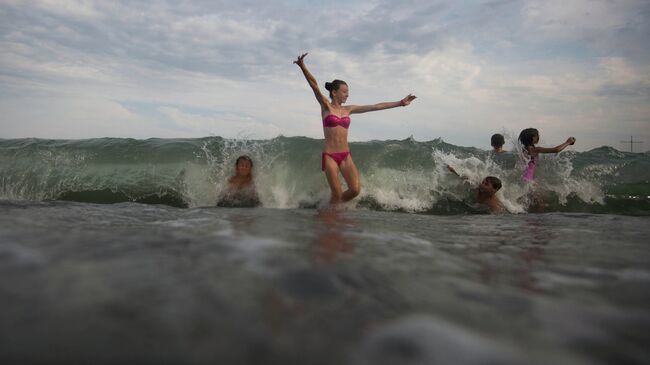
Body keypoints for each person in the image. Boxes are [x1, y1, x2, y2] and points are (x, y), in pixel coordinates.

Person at [294, 52, 417, 204]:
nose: (347, 94)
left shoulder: (348, 110)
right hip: (330, 156)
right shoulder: (326, 106)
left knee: (355, 190)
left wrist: (400, 103)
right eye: (344, 91)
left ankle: (330, 207)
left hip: (345, 155)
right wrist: (303, 67)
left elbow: (375, 106)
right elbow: (314, 85)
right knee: (337, 193)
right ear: (334, 92)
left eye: (348, 92)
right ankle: (332, 215)